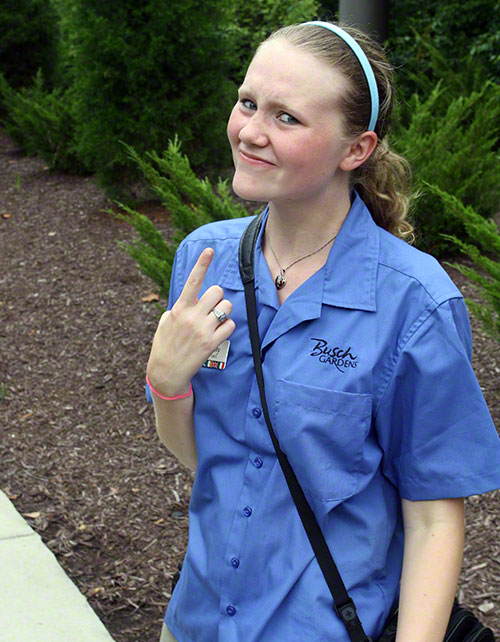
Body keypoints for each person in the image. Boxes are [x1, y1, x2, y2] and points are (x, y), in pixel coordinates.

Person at [146, 20, 500, 642]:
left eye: (287, 118)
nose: (250, 132)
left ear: (355, 150)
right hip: (198, 620)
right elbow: (207, 462)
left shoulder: (412, 303)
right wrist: (166, 383)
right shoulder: (206, 261)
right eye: (249, 102)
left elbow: (434, 522)